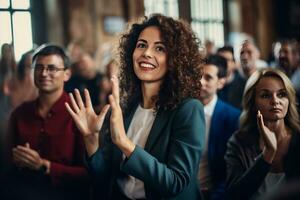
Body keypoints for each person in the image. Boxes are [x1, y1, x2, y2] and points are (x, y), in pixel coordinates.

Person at [66, 14, 205, 200]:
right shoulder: (125, 107)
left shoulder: (188, 109)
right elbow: (104, 177)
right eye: (142, 45)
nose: (147, 53)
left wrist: (124, 143)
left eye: (160, 48)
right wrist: (91, 139)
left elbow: (176, 183)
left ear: (176, 60)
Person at [3, 44, 90, 200]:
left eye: (52, 68)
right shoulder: (19, 113)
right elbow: (6, 164)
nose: (44, 73)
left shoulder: (79, 114)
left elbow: (88, 174)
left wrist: (44, 166)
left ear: (67, 74)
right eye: (39, 68)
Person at [225, 68, 300, 199]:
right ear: (253, 103)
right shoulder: (238, 142)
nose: (275, 101)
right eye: (266, 95)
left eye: (281, 94)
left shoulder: (298, 139)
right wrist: (268, 154)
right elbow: (233, 196)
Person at [198, 55, 240, 200]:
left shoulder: (232, 118)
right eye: (198, 76)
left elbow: (232, 171)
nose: (200, 82)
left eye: (208, 78)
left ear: (221, 82)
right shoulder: (181, 111)